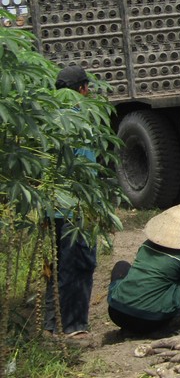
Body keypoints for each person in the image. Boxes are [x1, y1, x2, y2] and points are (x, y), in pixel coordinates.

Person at [43, 65, 98, 340]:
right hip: (75, 207)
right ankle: (74, 325)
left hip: (49, 205)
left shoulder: (46, 120)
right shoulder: (79, 121)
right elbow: (85, 171)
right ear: (82, 90)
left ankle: (50, 324)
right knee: (78, 265)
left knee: (54, 267)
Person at [107, 204, 180, 335]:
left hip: (117, 313)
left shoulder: (146, 245)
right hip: (151, 321)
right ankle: (159, 327)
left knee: (122, 265)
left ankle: (129, 315)